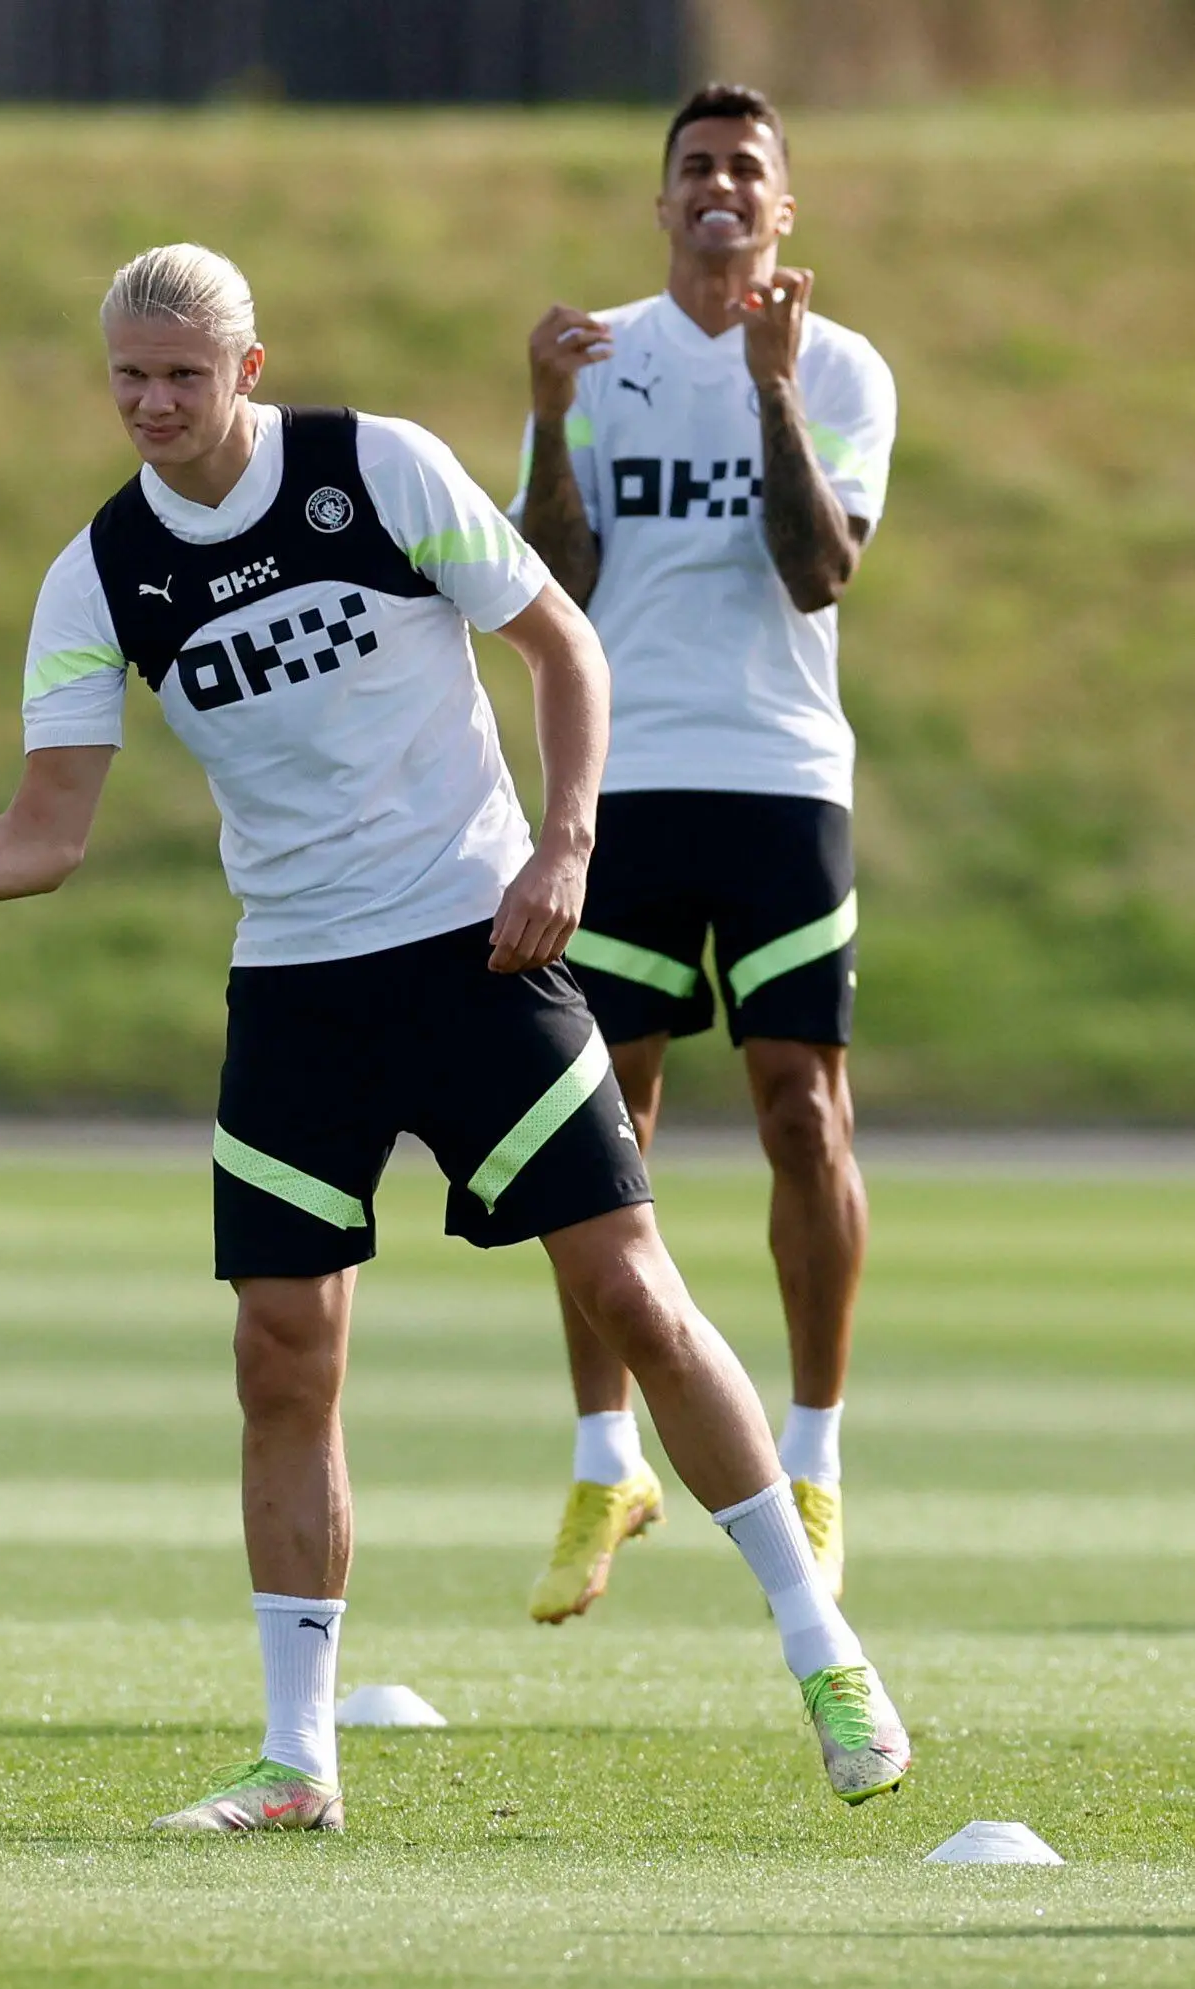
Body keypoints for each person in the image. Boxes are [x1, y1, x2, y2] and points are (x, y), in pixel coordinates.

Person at [0, 241, 909, 1831]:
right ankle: (294, 1760)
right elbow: (46, 830)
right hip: (297, 993)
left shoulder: (375, 468)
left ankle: (825, 1652)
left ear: (247, 370)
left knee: (631, 1293)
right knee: (281, 1356)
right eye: (128, 375)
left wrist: (565, 845)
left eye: (184, 373)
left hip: (479, 951)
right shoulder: (98, 574)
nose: (153, 402)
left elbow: (562, 645)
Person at [513, 85, 897, 1626]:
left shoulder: (840, 365)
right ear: (658, 203)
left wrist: (771, 390)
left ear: (781, 209)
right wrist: (543, 418)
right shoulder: (596, 364)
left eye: (746, 168)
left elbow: (817, 573)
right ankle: (608, 1454)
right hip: (627, 785)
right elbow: (553, 580)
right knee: (601, 1132)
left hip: (778, 778)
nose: (719, 188)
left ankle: (811, 1456)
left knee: (802, 1113)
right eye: (694, 170)